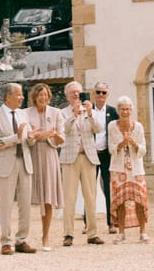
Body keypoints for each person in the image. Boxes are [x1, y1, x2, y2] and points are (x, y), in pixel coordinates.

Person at [56, 81, 108, 246]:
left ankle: (92, 233)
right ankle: (68, 234)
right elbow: (63, 130)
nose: (76, 95)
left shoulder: (89, 111)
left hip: (88, 157)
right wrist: (74, 114)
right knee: (69, 198)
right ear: (67, 95)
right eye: (72, 92)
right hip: (70, 158)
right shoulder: (62, 113)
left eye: (78, 92)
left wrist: (90, 114)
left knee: (91, 197)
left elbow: (99, 129)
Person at [0, 83, 30, 254]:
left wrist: (32, 137)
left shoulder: (24, 114)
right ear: (8, 96)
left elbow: (28, 138)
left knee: (25, 203)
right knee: (6, 204)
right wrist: (16, 137)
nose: (22, 97)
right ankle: (6, 241)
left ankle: (22, 240)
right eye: (19, 94)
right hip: (6, 164)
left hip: (25, 161)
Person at [22, 81, 64, 250]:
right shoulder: (25, 113)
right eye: (40, 95)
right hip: (31, 155)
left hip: (49, 155)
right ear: (34, 97)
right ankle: (23, 237)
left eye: (46, 95)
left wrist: (48, 135)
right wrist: (39, 135)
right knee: (27, 195)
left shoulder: (56, 112)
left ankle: (45, 237)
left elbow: (61, 137)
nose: (43, 98)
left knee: (48, 197)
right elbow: (27, 136)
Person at [108, 100, 150, 242]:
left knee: (140, 199)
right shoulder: (112, 126)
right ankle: (121, 232)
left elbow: (143, 150)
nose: (125, 112)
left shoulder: (138, 127)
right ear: (118, 111)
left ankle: (143, 232)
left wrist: (132, 142)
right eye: (122, 109)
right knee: (120, 201)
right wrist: (122, 143)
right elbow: (111, 149)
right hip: (118, 168)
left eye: (127, 109)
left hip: (136, 168)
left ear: (131, 110)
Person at [89, 83, 116, 221]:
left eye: (103, 92)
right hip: (91, 155)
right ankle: (88, 222)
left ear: (107, 94)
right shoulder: (87, 111)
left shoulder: (113, 111)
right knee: (89, 189)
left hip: (106, 154)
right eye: (98, 92)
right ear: (94, 93)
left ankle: (110, 220)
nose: (100, 95)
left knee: (108, 188)